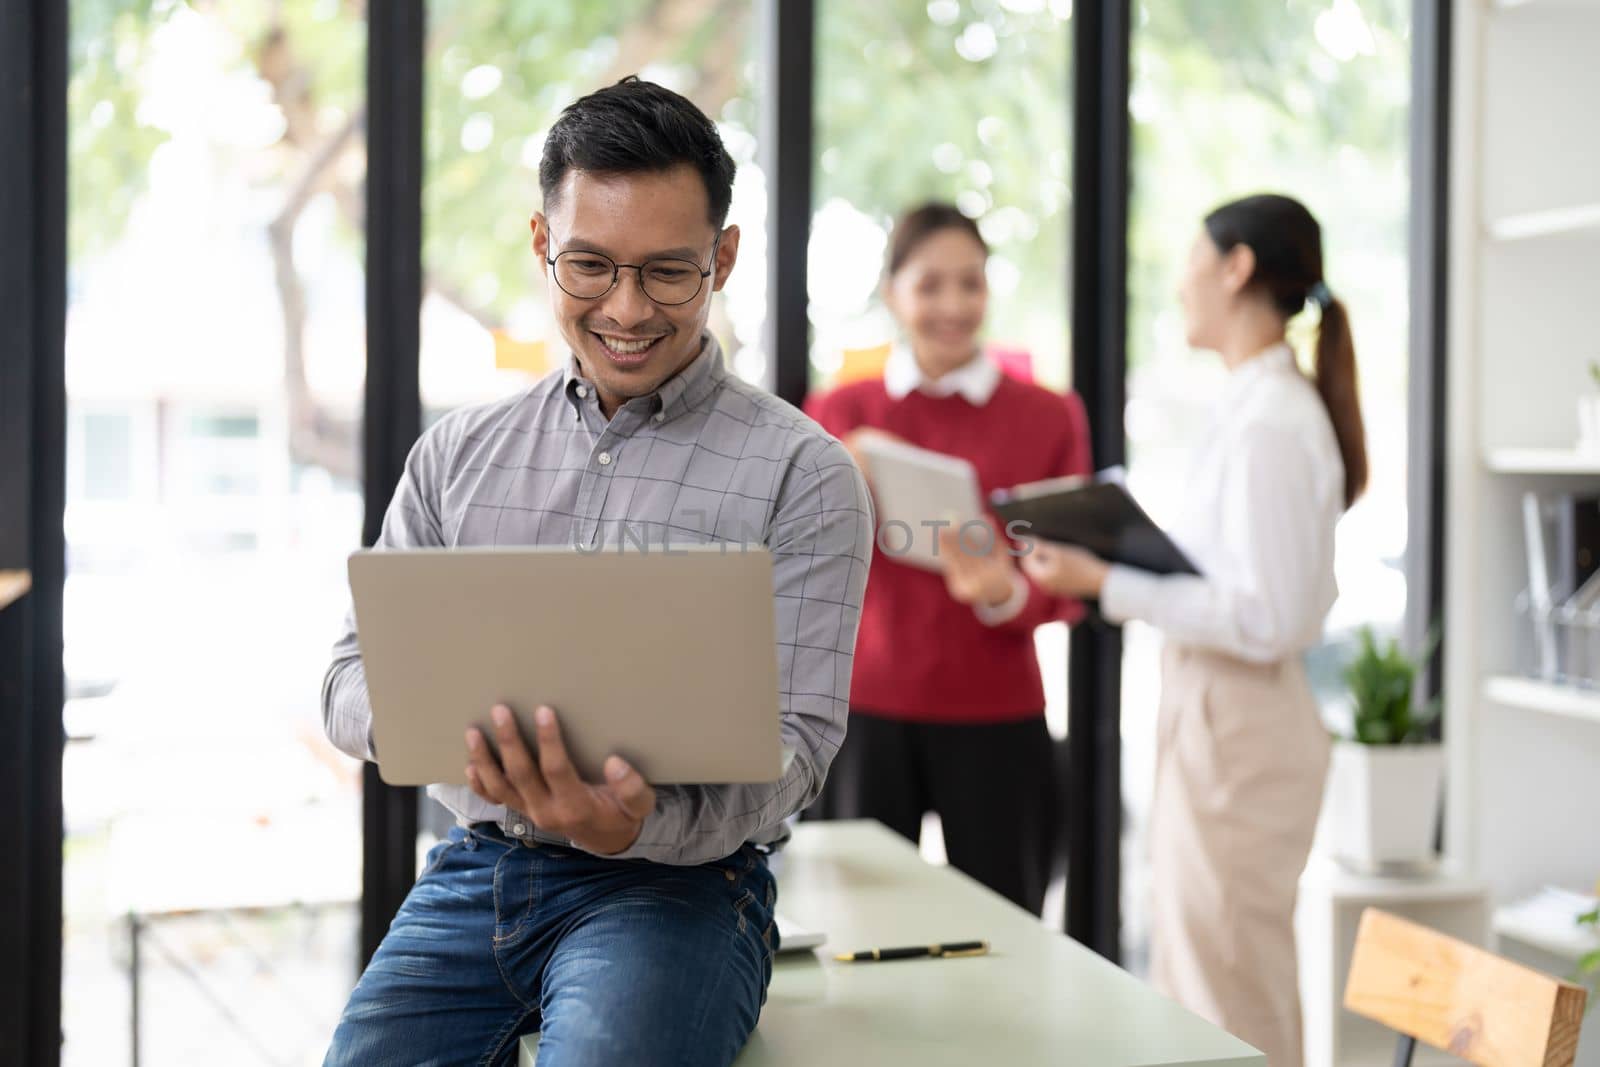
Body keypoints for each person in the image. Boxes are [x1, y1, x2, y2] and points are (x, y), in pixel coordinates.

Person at [319, 77, 872, 1067]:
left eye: (669, 272)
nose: (627, 309)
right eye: (589, 266)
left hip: (685, 884)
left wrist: (638, 823)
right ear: (542, 244)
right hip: (478, 863)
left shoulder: (805, 472)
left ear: (725, 256)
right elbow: (347, 677)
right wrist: (447, 732)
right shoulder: (456, 455)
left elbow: (797, 746)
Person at [1021, 193, 1366, 1066]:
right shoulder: (1252, 407)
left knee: (1231, 996)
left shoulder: (1276, 421)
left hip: (1242, 724)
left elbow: (1267, 616)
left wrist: (1107, 580)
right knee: (1201, 982)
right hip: (1218, 716)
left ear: (1236, 267)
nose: (1180, 284)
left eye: (1189, 260)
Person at [803, 202, 1092, 915]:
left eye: (972, 283)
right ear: (894, 291)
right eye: (931, 285)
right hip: (866, 711)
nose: (954, 304)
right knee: (856, 929)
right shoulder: (842, 411)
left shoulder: (1049, 416)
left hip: (997, 711)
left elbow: (1072, 577)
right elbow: (801, 559)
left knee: (1007, 928)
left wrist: (1005, 591)